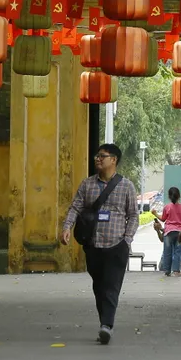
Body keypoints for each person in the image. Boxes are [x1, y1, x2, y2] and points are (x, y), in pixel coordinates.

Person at [60, 143, 139, 345]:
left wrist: (127, 240)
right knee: (99, 286)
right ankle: (105, 321)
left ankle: (107, 325)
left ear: (114, 160)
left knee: (111, 285)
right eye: (97, 155)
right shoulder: (87, 184)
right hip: (93, 245)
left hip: (117, 245)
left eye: (102, 156)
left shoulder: (126, 186)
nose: (97, 159)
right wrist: (67, 227)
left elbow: (133, 215)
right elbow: (75, 208)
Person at [154, 187, 181, 277]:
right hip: (179, 232)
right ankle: (176, 271)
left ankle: (167, 271)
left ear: (169, 196)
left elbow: (163, 219)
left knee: (167, 252)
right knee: (178, 252)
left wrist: (155, 213)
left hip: (168, 232)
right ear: (179, 196)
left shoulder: (167, 207)